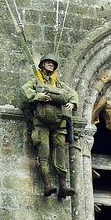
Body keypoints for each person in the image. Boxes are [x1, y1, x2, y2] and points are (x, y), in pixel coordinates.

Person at [22, 54, 78, 198]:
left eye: (53, 64)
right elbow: (26, 89)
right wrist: (37, 96)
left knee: (60, 152)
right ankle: (47, 184)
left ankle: (63, 185)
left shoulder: (57, 83)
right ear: (42, 65)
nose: (51, 65)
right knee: (44, 151)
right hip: (41, 123)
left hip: (59, 124)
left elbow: (72, 94)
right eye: (48, 63)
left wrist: (72, 103)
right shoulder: (36, 80)